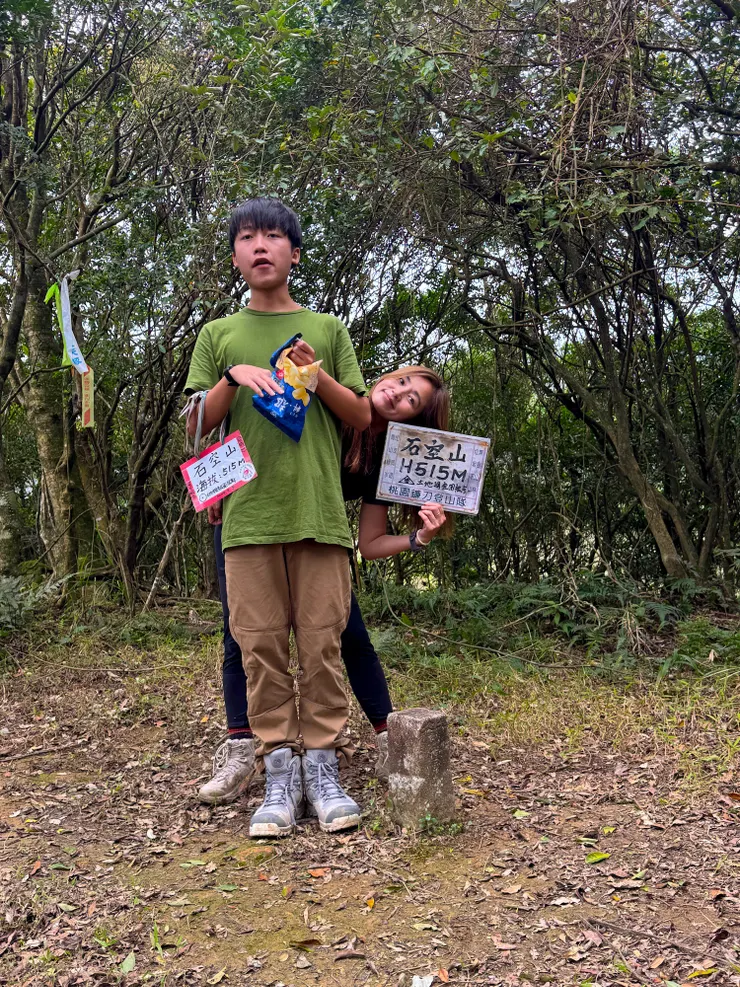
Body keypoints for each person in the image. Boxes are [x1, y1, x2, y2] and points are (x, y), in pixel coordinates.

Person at [185, 197, 371, 839]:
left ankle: (323, 767)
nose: (260, 246)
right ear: (236, 255)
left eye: (272, 236)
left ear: (293, 252)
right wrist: (232, 377)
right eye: (247, 237)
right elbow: (195, 423)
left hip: (318, 511)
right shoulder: (219, 335)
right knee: (258, 646)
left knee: (322, 643)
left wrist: (316, 377)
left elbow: (362, 415)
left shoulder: (327, 328)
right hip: (247, 517)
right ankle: (278, 773)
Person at [199, 365, 451, 806]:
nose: (398, 393)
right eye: (402, 381)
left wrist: (419, 538)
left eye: (412, 399)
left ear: (416, 420)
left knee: (349, 632)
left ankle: (389, 740)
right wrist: (219, 484)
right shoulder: (330, 399)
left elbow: (370, 542)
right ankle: (241, 748)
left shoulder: (385, 456)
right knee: (239, 634)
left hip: (318, 535)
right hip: (252, 520)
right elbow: (257, 427)